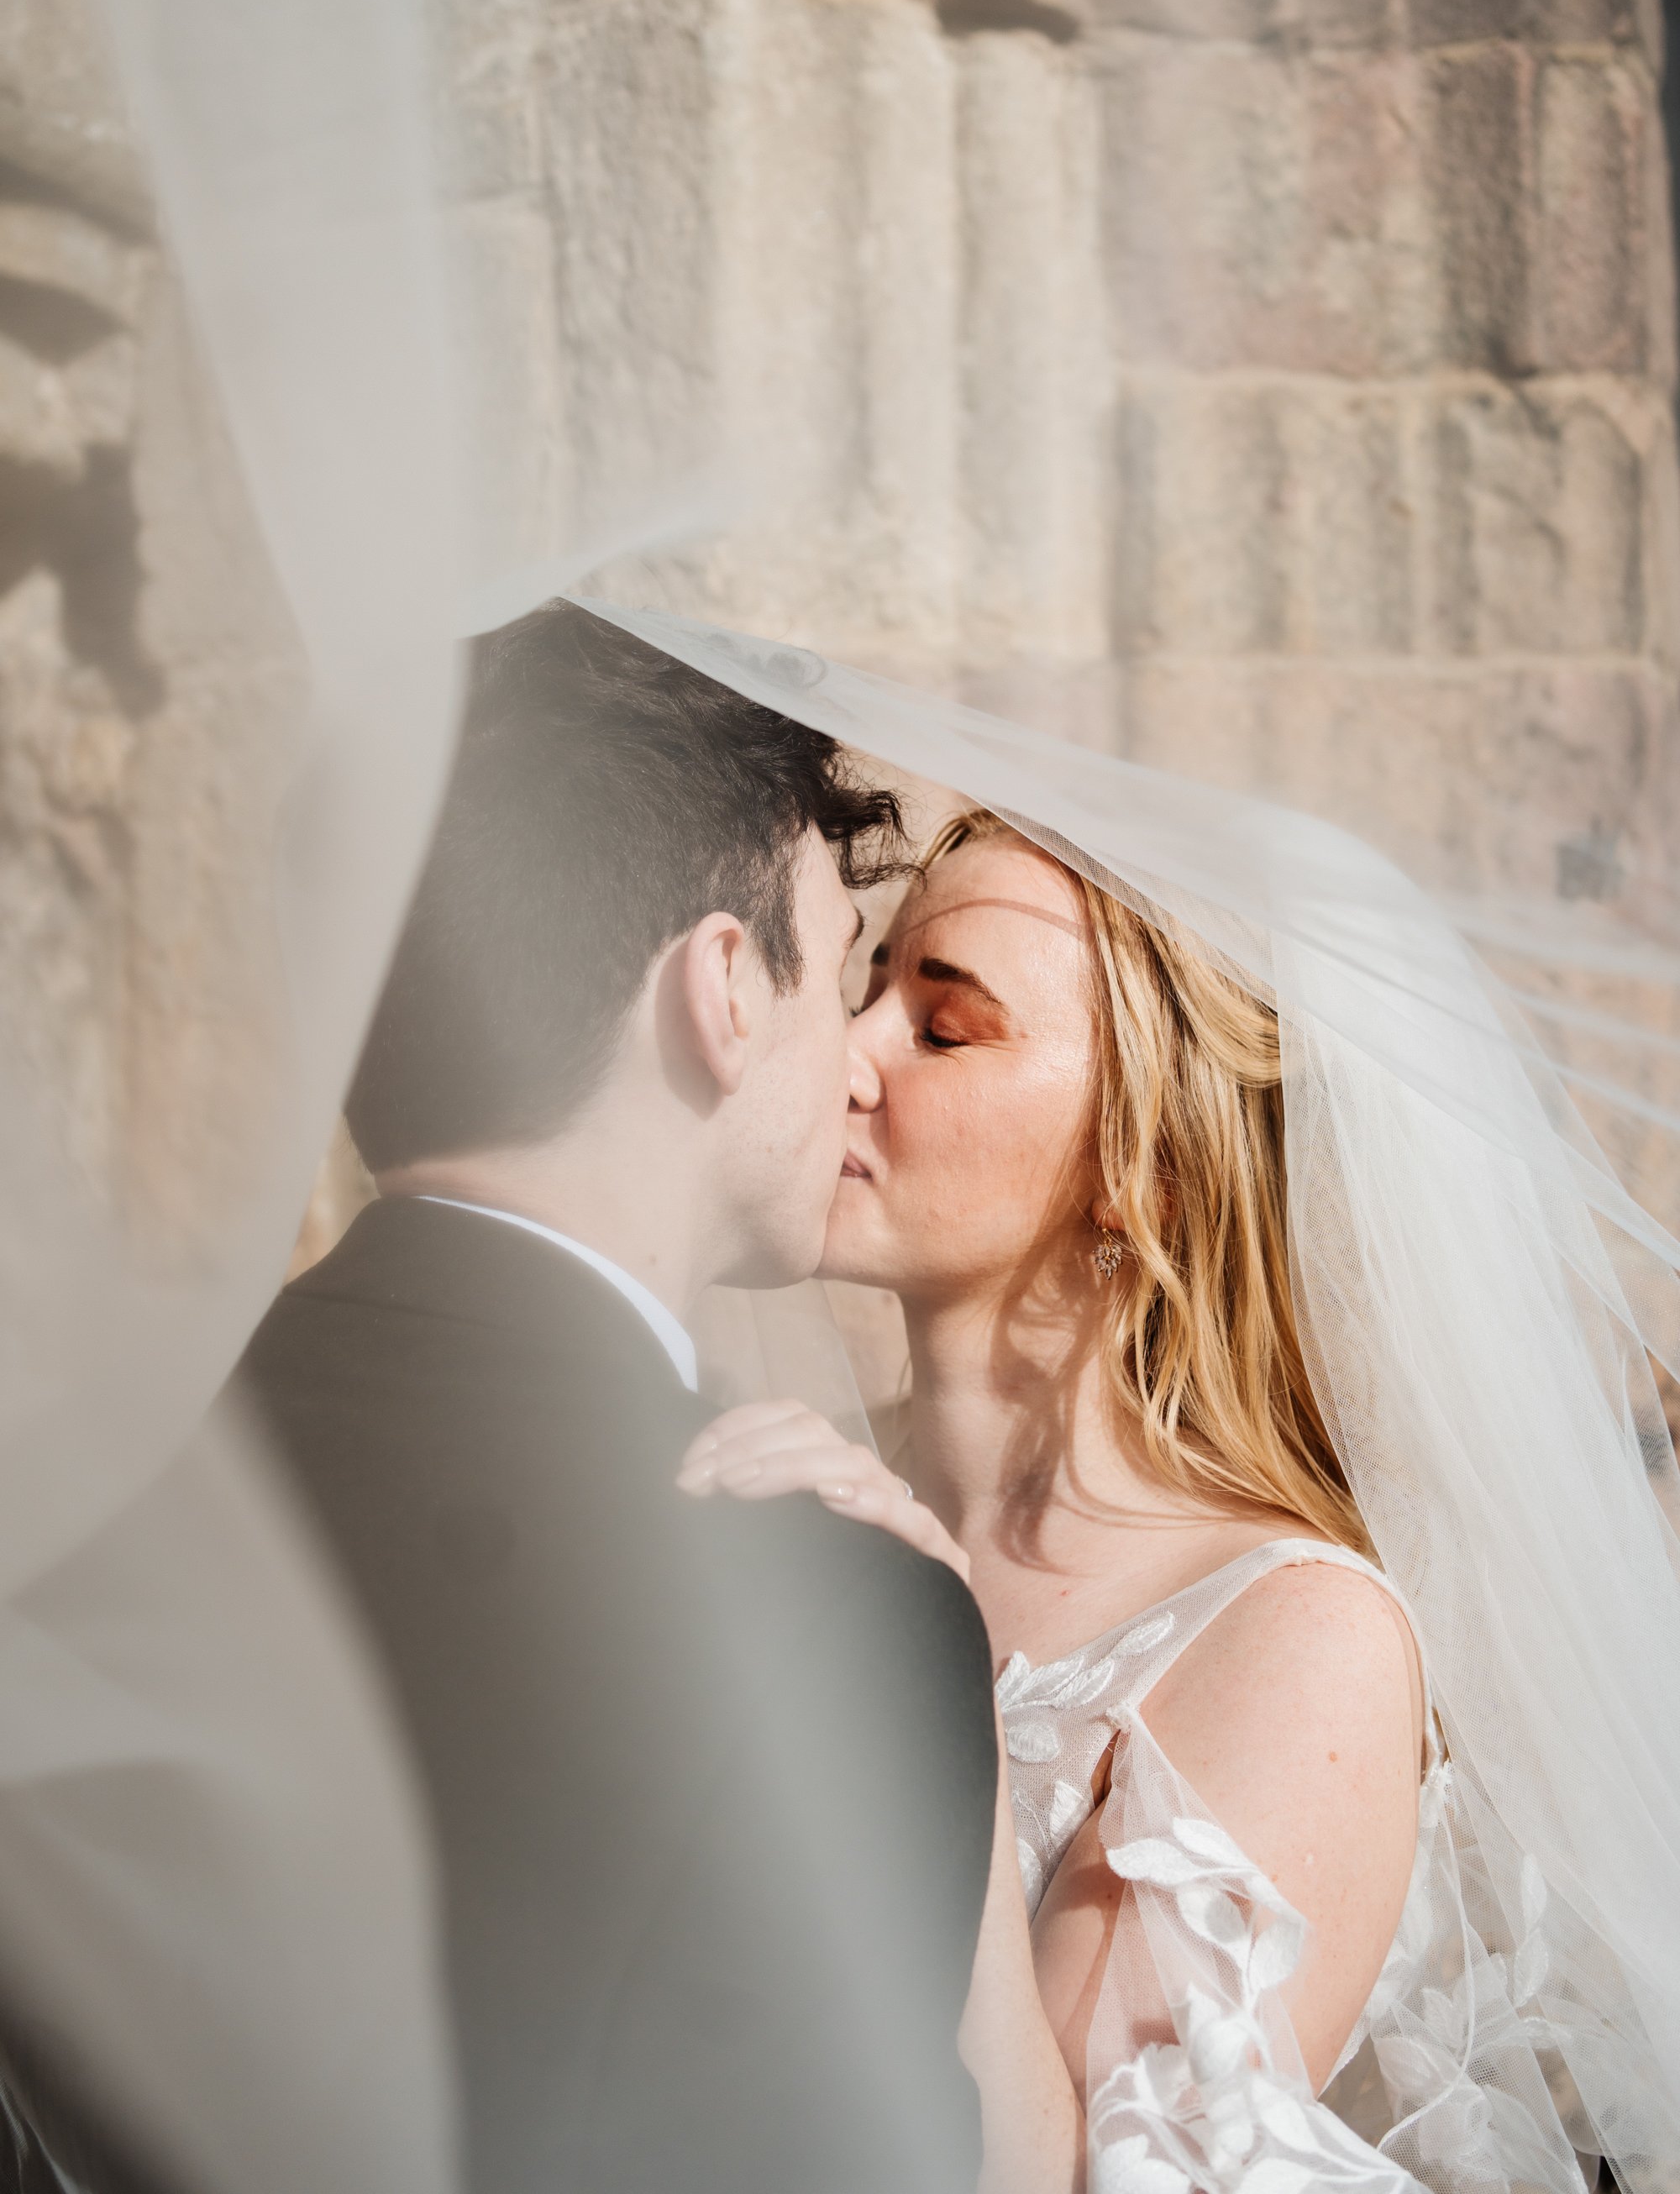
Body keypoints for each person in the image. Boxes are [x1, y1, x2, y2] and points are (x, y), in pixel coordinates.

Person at [680, 805, 1611, 2192]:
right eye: (869, 989)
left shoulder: (1296, 1640)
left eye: (945, 1030)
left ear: (1142, 1169)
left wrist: (917, 1679)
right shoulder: (769, 1478)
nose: (851, 1055)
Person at [234, 605, 1000, 2194]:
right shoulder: (821, 1612)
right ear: (724, 989)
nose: (860, 1067)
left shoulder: (121, 1479)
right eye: (842, 969)